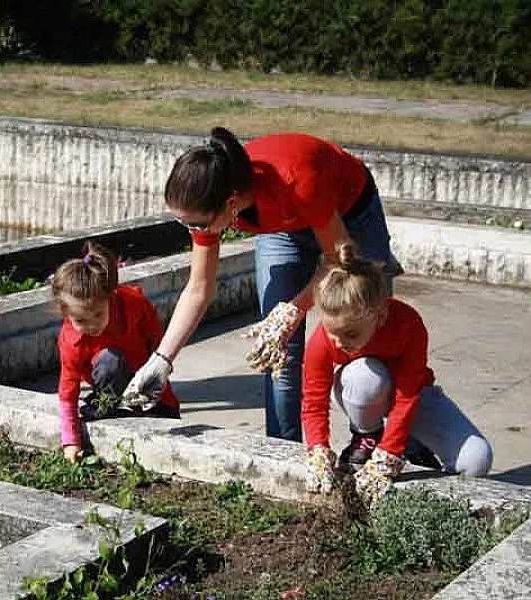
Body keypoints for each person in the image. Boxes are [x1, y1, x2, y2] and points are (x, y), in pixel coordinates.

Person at [122, 127, 401, 442]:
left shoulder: (297, 180)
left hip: (350, 213)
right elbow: (199, 288)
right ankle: (283, 449)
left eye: (196, 224)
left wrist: (294, 310)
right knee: (276, 346)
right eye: (184, 223)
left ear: (231, 204)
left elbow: (338, 260)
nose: (193, 230)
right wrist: (161, 360)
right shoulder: (208, 201)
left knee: (369, 329)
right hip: (283, 226)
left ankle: (393, 441)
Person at [302, 242, 492, 507]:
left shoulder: (408, 324)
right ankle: (367, 435)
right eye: (331, 332)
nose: (338, 342)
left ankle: (409, 445)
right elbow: (313, 402)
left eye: (351, 334)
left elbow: (408, 395)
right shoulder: (324, 340)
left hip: (410, 394)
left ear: (379, 317)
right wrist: (318, 451)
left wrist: (389, 454)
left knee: (477, 460)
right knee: (366, 377)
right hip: (364, 392)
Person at [53, 243, 181, 463]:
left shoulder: (130, 303)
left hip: (143, 373)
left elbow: (153, 330)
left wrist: (161, 360)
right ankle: (110, 405)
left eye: (98, 314)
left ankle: (141, 405)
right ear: (65, 314)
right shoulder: (72, 342)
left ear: (109, 299)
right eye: (81, 320)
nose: (92, 325)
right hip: (111, 378)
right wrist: (71, 441)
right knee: (109, 361)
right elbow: (67, 395)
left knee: (167, 420)